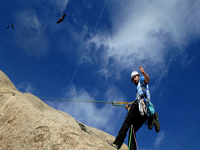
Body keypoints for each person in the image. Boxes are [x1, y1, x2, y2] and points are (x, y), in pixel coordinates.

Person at [108, 66, 159, 150]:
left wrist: (144, 73)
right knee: (132, 131)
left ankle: (117, 143)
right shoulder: (139, 89)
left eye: (135, 77)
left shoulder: (142, 80)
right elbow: (138, 98)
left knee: (127, 122)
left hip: (139, 106)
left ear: (138, 76)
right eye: (133, 79)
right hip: (144, 111)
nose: (134, 79)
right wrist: (130, 105)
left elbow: (147, 80)